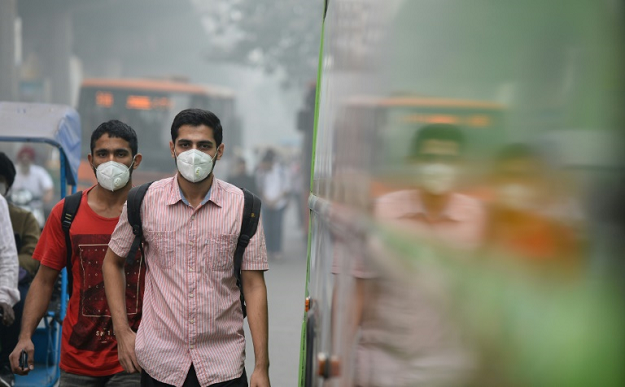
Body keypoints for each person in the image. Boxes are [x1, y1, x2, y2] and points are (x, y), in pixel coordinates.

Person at [103, 109, 270, 387]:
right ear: (172, 149)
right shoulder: (143, 201)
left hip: (222, 366)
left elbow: (254, 287)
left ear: (219, 151)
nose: (194, 154)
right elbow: (112, 262)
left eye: (204, 145)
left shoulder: (244, 207)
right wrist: (122, 331)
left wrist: (262, 367)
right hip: (160, 364)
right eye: (185, 145)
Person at [346, 124, 485, 386]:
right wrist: (340, 363)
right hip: (384, 364)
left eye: (448, 159)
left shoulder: (477, 220)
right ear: (414, 162)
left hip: (447, 368)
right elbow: (358, 292)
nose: (439, 166)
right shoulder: (381, 213)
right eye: (430, 158)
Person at [9, 120, 144, 386]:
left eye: (120, 154)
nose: (111, 161)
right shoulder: (67, 212)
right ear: (91, 160)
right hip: (77, 360)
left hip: (135, 357)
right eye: (103, 154)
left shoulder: (149, 213)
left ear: (135, 160)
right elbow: (44, 279)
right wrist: (25, 337)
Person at [0, 153, 40, 387]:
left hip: (15, 279)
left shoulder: (24, 218)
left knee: (18, 302)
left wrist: (10, 271)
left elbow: (32, 254)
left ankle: (6, 364)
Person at [256, 149, 289, 260]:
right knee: (267, 228)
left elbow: (285, 188)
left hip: (279, 203)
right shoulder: (261, 172)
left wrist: (275, 200)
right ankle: (268, 250)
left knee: (277, 227)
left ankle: (277, 250)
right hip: (266, 204)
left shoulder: (281, 171)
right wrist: (267, 200)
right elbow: (260, 188)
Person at [11, 146, 54, 226]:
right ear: (19, 158)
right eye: (22, 157)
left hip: (34, 208)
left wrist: (47, 196)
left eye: (28, 157)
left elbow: (49, 188)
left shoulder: (39, 172)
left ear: (32, 159)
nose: (25, 159)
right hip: (14, 208)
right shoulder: (12, 171)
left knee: (39, 226)